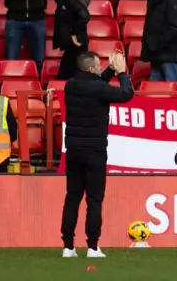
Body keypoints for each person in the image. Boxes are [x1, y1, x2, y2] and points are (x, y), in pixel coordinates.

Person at [61, 50, 133, 258]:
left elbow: (96, 84)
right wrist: (121, 73)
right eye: (99, 66)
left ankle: (68, 247)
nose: (101, 68)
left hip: (73, 150)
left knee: (72, 197)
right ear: (91, 68)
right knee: (94, 199)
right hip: (95, 151)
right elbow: (126, 94)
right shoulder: (98, 88)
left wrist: (110, 69)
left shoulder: (71, 85)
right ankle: (92, 247)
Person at [54, 0, 90, 80]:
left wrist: (73, 33)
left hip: (76, 45)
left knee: (69, 77)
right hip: (71, 46)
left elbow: (85, 16)